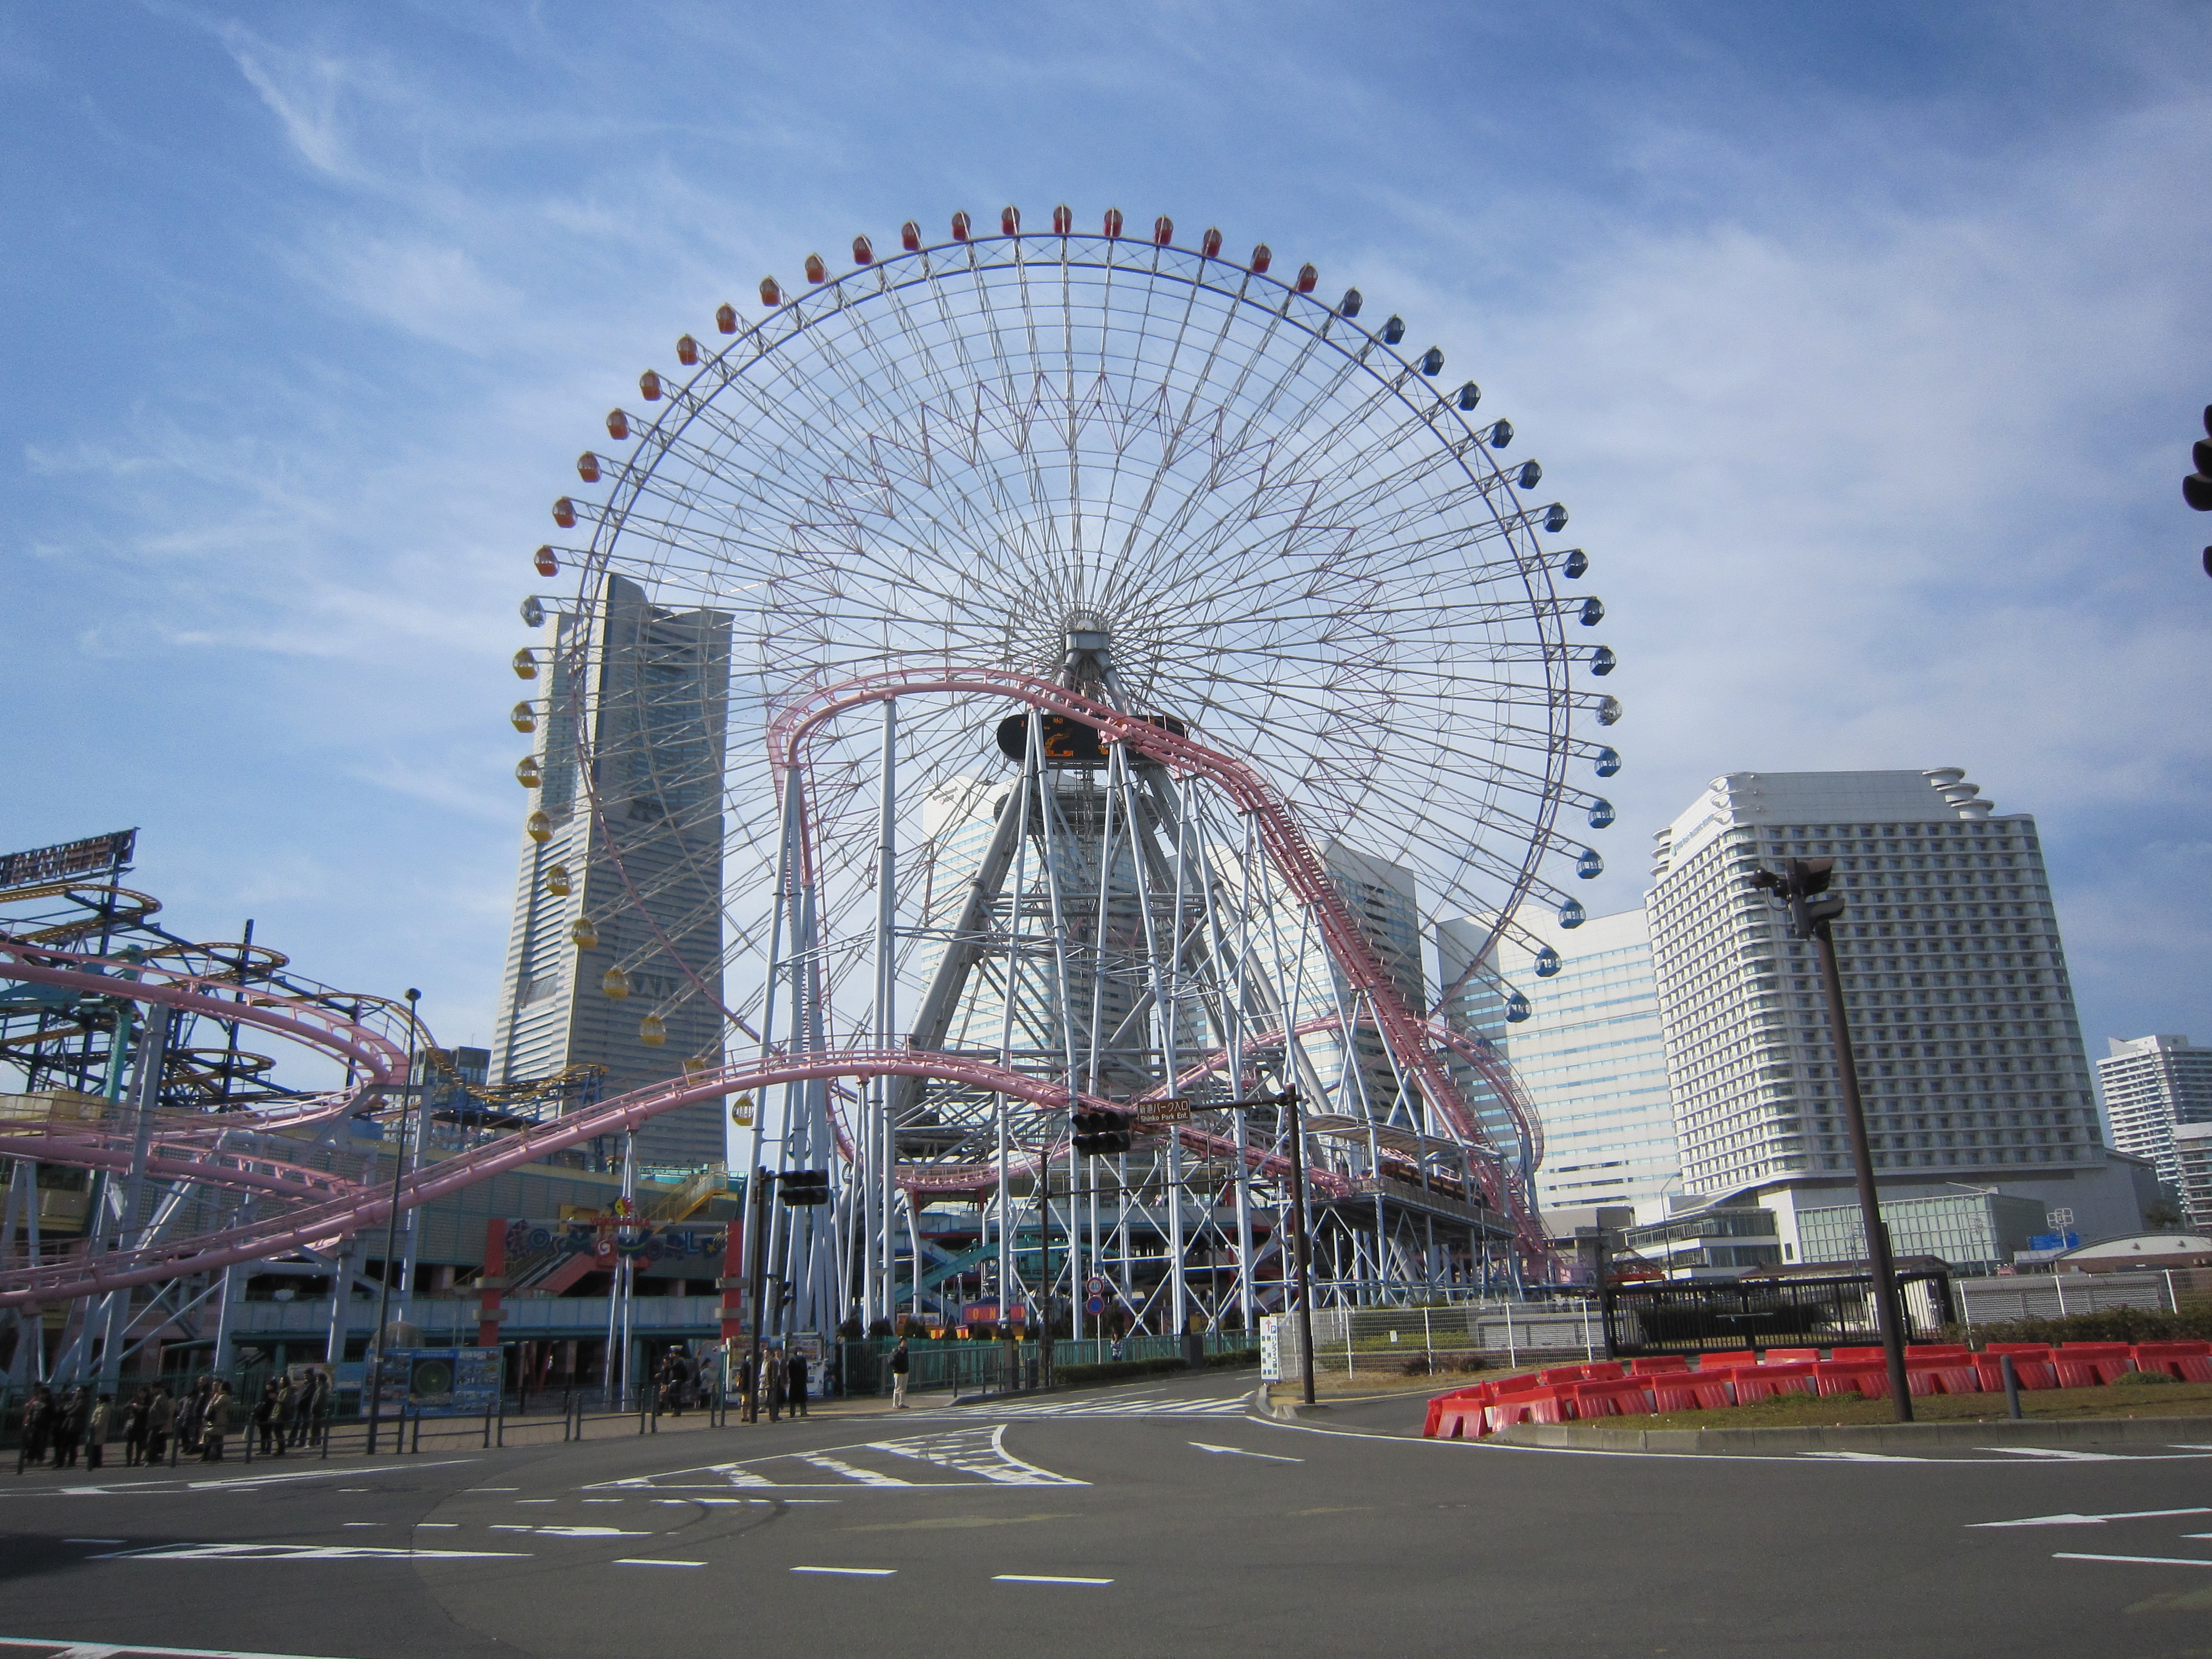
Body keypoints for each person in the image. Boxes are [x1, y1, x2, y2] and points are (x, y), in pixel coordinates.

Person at [17, 1386, 51, 1474]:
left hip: (44, 1426)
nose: (41, 1396)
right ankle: (30, 1459)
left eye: (43, 1394)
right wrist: (29, 1421)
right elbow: (31, 1412)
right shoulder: (36, 1402)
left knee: (41, 1443)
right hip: (34, 1425)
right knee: (32, 1443)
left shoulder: (49, 1403)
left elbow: (52, 1414)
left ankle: (40, 1459)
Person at [50, 1387, 84, 1469]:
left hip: (75, 1427)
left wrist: (68, 1409)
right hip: (68, 1426)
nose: (77, 1393)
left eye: (79, 1391)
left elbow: (72, 1411)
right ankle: (60, 1462)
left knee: (72, 1446)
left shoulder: (82, 1402)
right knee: (64, 1446)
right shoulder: (75, 1401)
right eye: (77, 1391)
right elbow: (68, 1409)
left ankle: (70, 1462)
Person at [201, 1380, 232, 1461]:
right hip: (221, 1419)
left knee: (211, 1437)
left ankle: (208, 1456)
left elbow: (215, 1405)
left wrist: (215, 1398)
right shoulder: (228, 1397)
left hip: (217, 1419)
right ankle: (217, 1456)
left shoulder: (223, 1397)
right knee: (217, 1438)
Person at [144, 1385, 174, 1466]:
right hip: (155, 1422)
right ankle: (152, 1457)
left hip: (157, 1422)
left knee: (152, 1440)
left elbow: (165, 1411)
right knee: (154, 1440)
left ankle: (151, 1459)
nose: (151, 1390)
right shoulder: (156, 1397)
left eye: (152, 1388)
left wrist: (162, 1419)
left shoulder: (161, 1397)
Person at [122, 1387, 149, 1467]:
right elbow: (125, 1407)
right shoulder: (134, 1400)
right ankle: (129, 1461)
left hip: (142, 1425)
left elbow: (151, 1409)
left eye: (144, 1393)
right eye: (140, 1393)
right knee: (130, 1444)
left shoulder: (149, 1401)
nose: (142, 1395)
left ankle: (137, 1461)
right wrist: (133, 1405)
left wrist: (144, 1408)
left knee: (139, 1444)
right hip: (132, 1425)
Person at [84, 1394, 111, 1472]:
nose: (97, 1400)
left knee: (96, 1447)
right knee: (96, 1447)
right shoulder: (101, 1407)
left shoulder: (103, 1408)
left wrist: (95, 1428)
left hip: (98, 1430)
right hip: (98, 1430)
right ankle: (95, 1463)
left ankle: (96, 1463)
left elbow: (100, 1420)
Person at [785, 1348, 808, 1418]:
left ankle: (792, 1413)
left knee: (793, 1399)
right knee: (802, 1398)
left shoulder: (792, 1360)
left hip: (794, 1382)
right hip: (801, 1381)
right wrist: (805, 1378)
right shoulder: (803, 1360)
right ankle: (803, 1412)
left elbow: (790, 1372)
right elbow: (805, 1371)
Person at [889, 1337, 909, 1409]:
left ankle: (902, 1403)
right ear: (900, 1343)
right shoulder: (896, 1351)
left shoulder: (906, 1351)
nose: (904, 1344)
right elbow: (892, 1362)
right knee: (897, 1388)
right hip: (898, 1372)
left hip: (905, 1371)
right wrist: (897, 1353)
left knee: (904, 1389)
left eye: (905, 1342)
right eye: (903, 1342)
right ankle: (895, 1404)